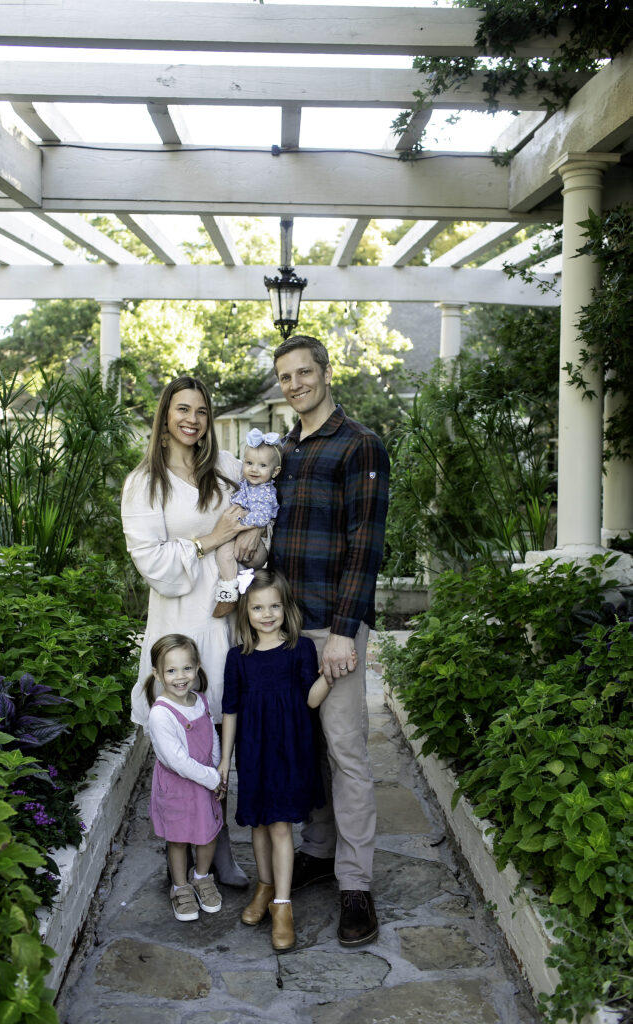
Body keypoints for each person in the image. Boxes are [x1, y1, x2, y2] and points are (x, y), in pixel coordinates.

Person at [122, 375, 267, 888]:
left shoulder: (227, 468)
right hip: (179, 623)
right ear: (164, 417)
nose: (193, 419)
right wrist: (211, 539)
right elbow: (152, 562)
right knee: (181, 736)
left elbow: (259, 519)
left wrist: (249, 536)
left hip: (225, 621)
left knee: (219, 733)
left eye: (202, 411)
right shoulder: (145, 483)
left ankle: (218, 842)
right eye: (182, 409)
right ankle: (182, 846)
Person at [269, 335, 390, 948]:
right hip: (285, 627)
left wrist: (345, 632)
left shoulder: (359, 444)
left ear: (325, 372)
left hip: (331, 625)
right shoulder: (284, 449)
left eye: (303, 373)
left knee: (346, 754)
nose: (295, 384)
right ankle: (318, 850)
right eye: (285, 377)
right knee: (306, 748)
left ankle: (355, 886)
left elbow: (365, 544)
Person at [217, 569, 330, 952]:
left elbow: (311, 700)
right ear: (245, 612)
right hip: (252, 750)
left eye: (274, 606)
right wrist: (224, 762)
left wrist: (330, 676)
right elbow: (230, 710)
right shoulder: (239, 658)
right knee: (259, 825)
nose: (267, 615)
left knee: (280, 826)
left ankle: (283, 906)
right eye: (258, 607)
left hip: (289, 749)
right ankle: (264, 886)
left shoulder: (300, 649)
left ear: (286, 607)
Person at [144, 634, 225, 922]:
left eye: (187, 668)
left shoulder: (200, 700)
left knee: (208, 833)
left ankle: (202, 877)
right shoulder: (161, 715)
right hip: (179, 787)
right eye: (171, 670)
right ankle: (180, 886)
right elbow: (177, 761)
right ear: (157, 674)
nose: (181, 677)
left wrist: (217, 768)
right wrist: (213, 778)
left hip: (205, 782)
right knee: (178, 840)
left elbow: (213, 737)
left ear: (198, 667)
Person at [213, 428, 282, 617]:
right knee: (224, 551)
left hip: (261, 545)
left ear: (275, 472)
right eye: (249, 463)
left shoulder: (264, 491)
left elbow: (261, 517)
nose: (254, 469)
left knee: (224, 550)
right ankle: (233, 590)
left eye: (262, 465)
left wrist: (236, 521)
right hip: (247, 537)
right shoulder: (248, 484)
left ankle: (230, 592)